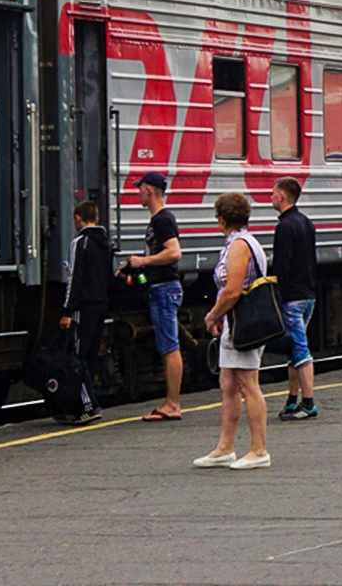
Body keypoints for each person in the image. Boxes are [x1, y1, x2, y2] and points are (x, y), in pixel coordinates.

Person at [195, 192, 271, 469]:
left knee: (248, 385)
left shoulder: (240, 245)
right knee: (228, 384)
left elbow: (233, 290)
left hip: (243, 324)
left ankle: (259, 450)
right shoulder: (242, 242)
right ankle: (225, 448)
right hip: (234, 323)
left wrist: (213, 314)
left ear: (222, 219)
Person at [124, 172, 184, 421]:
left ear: (149, 190)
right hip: (161, 287)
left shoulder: (162, 220)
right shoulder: (159, 220)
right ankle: (171, 403)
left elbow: (174, 253)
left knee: (170, 347)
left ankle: (173, 404)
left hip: (164, 288)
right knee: (168, 346)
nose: (137, 192)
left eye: (140, 189)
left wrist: (144, 260)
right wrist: (133, 267)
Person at [269, 178, 319, 420]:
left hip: (293, 298)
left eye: (272, 193)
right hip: (308, 295)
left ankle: (308, 404)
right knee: (293, 350)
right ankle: (292, 400)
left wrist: (278, 295)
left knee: (300, 351)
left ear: (282, 196)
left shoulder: (284, 227)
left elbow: (282, 266)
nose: (270, 197)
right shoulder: (306, 223)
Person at [55, 200, 109, 425]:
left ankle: (88, 406)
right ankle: (81, 404)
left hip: (83, 307)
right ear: (95, 218)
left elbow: (74, 281)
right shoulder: (106, 244)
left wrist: (67, 311)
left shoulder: (80, 243)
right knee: (90, 355)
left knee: (76, 358)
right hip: (100, 305)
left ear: (78, 217)